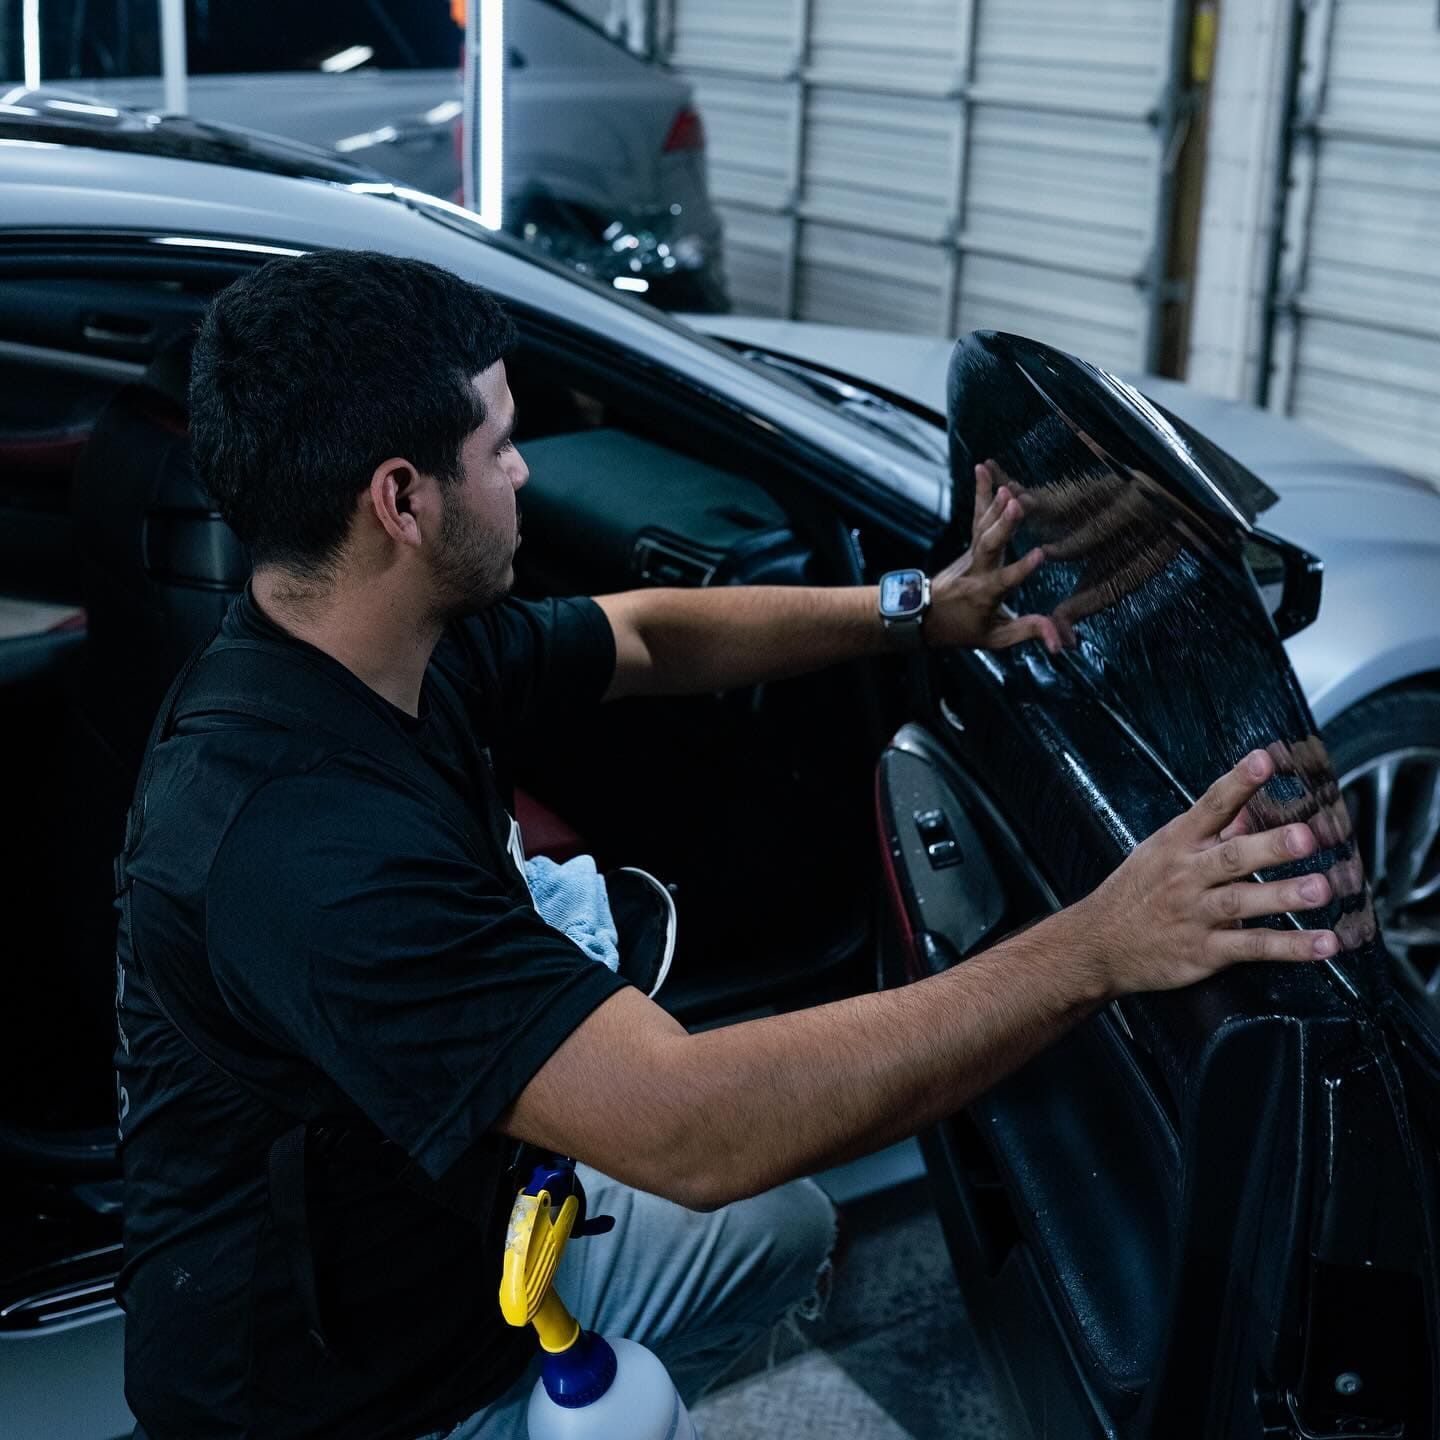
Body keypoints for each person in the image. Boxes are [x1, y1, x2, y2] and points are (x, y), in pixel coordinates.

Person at [114, 251, 1339, 1440]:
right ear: (402, 501)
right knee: (722, 1199)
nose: (524, 472)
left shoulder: (381, 650)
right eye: (499, 446)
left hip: (456, 1252)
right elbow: (693, 1127)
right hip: (342, 1397)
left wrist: (921, 609)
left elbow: (646, 636)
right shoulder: (302, 847)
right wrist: (1101, 946)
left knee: (779, 1232)